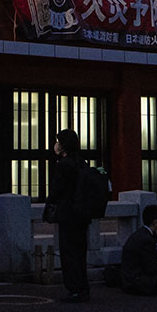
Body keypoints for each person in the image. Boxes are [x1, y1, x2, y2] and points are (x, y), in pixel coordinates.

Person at [45, 129, 100, 302]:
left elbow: (56, 190)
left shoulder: (63, 165)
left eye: (58, 141)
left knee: (68, 252)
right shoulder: (81, 163)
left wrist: (49, 203)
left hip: (68, 214)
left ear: (63, 145)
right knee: (80, 252)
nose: (56, 145)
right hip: (82, 215)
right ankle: (83, 287)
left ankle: (74, 289)